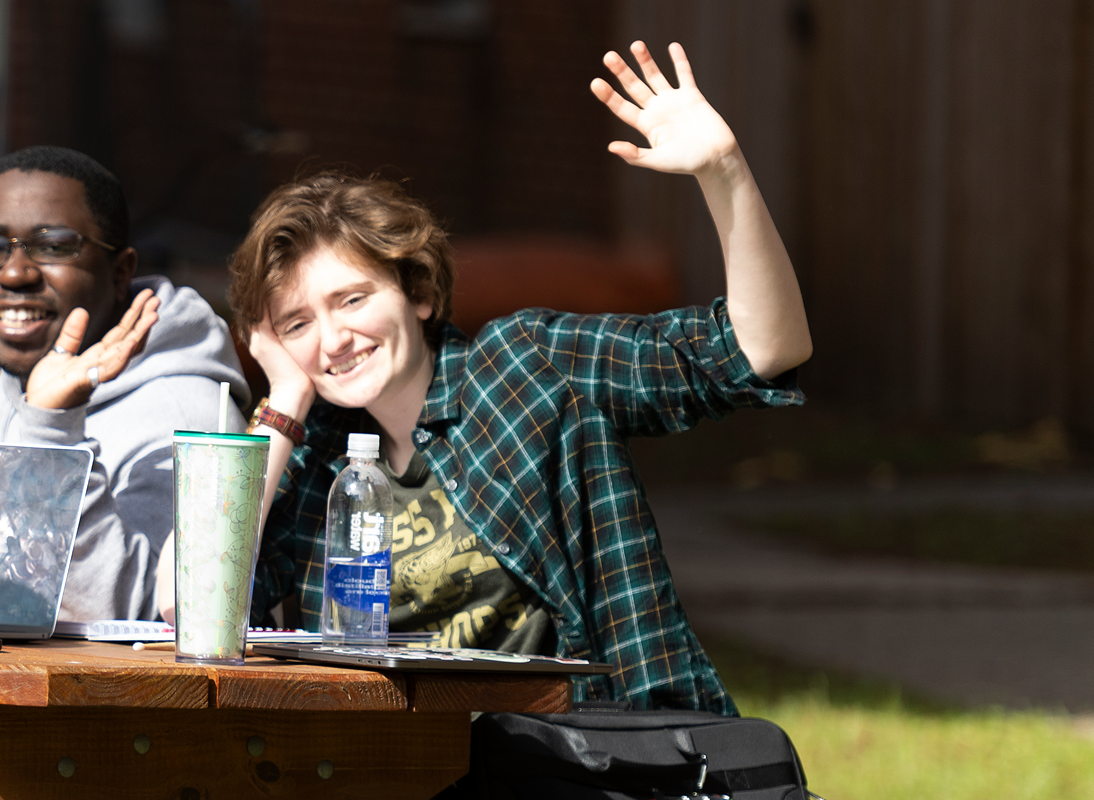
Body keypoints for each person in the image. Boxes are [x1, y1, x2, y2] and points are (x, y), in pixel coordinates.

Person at [229, 42, 810, 712]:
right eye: (297, 323)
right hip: (387, 765)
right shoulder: (311, 458)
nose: (333, 340)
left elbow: (760, 350)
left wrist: (726, 173)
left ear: (416, 291)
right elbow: (187, 606)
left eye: (352, 300)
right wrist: (285, 402)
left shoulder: (524, 366)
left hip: (587, 759)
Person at [0, 145, 248, 624]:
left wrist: (52, 429)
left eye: (54, 246)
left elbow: (133, 620)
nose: (15, 272)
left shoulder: (191, 418)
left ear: (120, 272)